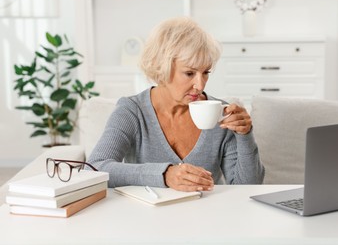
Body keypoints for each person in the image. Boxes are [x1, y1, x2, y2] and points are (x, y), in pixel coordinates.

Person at [87, 17, 265, 192]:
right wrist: (164, 175)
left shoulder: (221, 113)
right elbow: (95, 168)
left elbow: (247, 188)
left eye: (205, 72)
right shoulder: (133, 111)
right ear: (161, 67)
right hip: (146, 218)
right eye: (189, 73)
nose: (200, 85)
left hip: (207, 218)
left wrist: (245, 135)